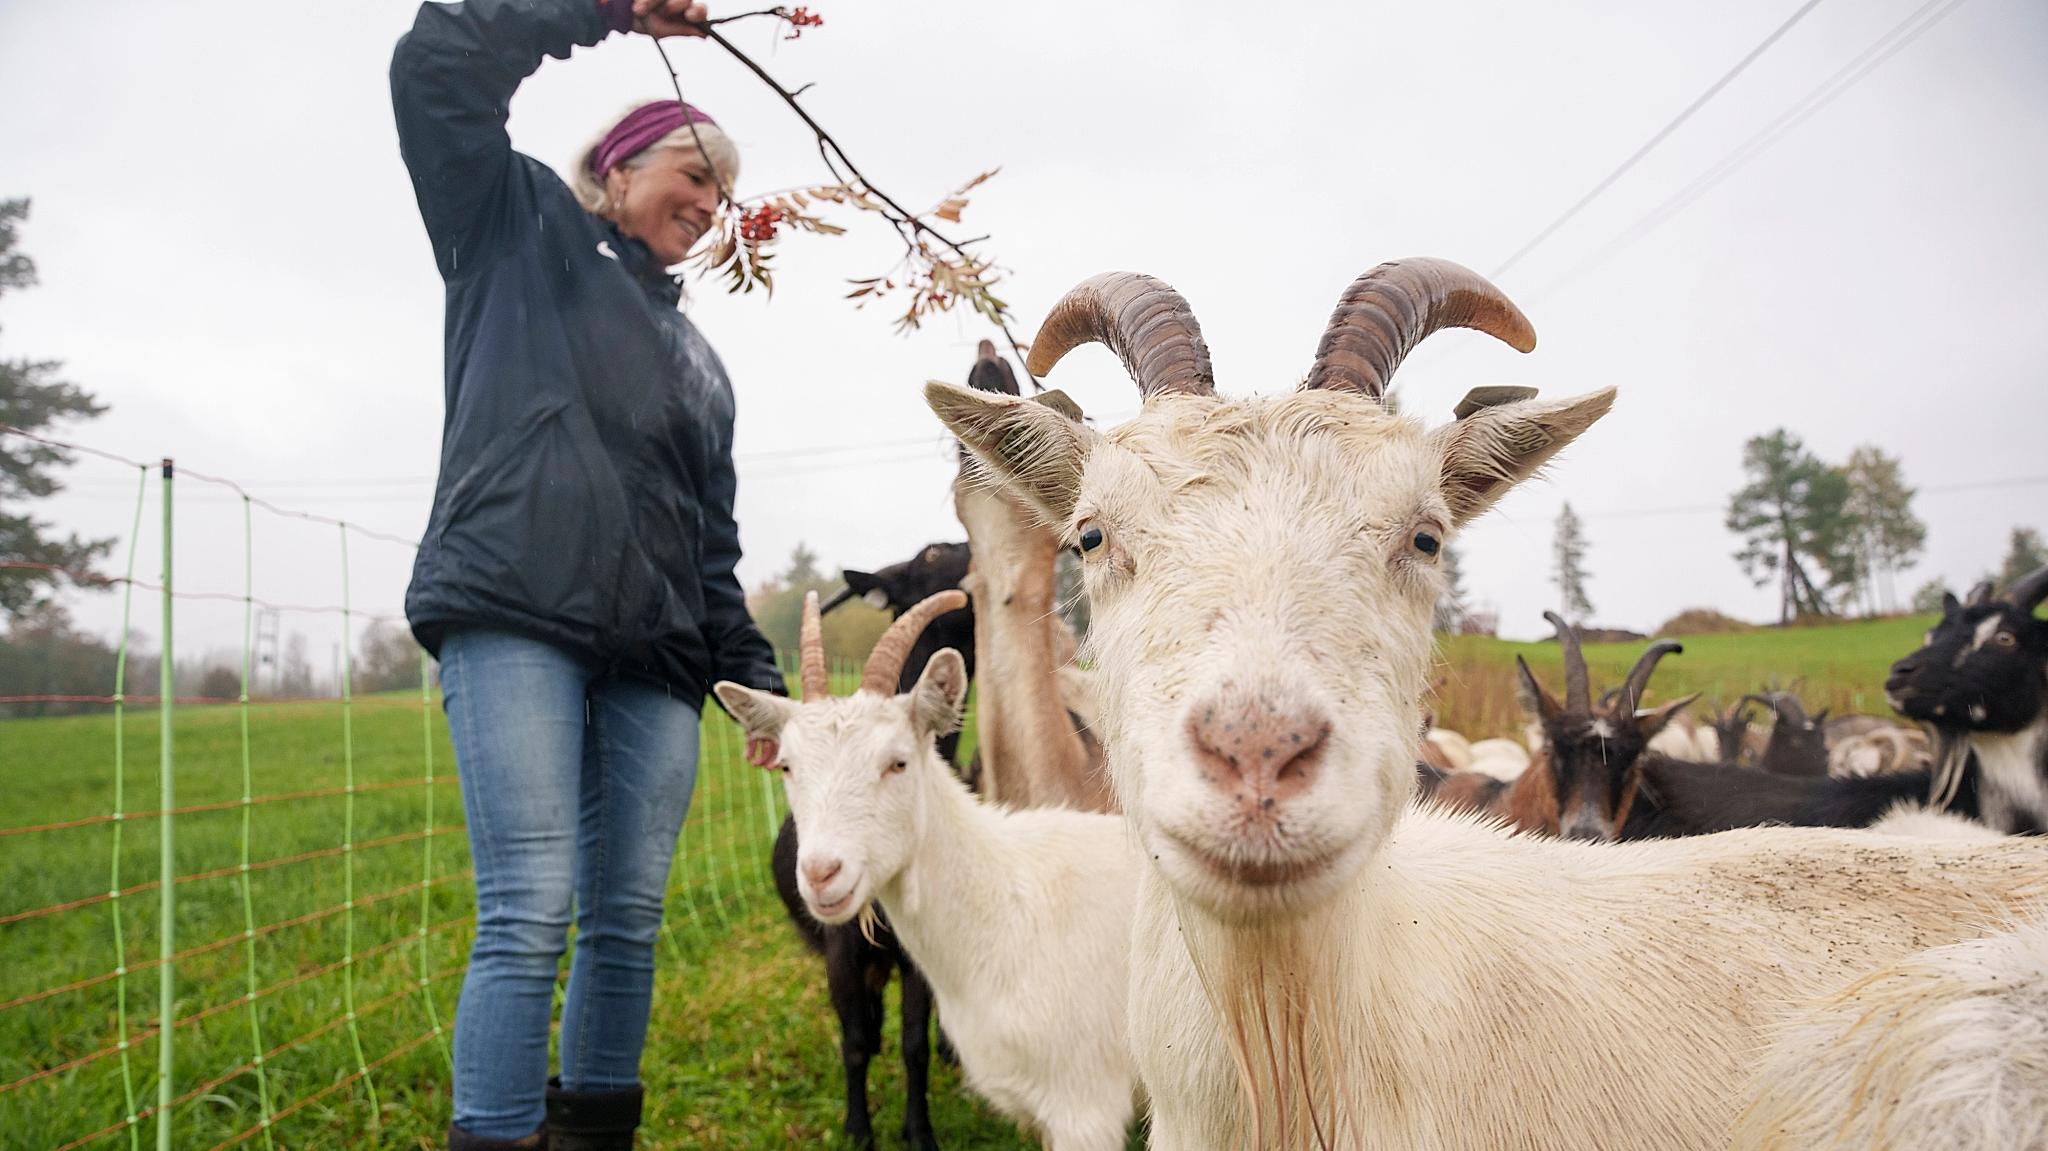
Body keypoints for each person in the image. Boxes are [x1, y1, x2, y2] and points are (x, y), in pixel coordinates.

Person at [390, 2, 785, 1147]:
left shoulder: (701, 362)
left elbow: (709, 549)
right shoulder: (509, 225)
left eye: (721, 191)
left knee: (627, 918)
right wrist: (604, 7)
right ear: (615, 166)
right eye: (692, 172)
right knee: (529, 907)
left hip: (655, 660)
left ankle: (596, 1135)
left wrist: (751, 679)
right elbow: (440, 62)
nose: (709, 205)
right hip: (513, 607)